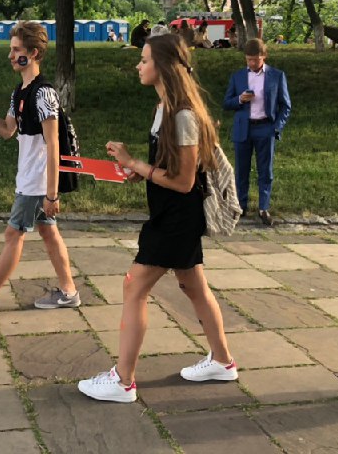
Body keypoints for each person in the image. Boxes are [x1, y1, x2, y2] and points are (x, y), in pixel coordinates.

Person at [78, 34, 237, 404]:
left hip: (178, 217)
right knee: (194, 287)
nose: (139, 65)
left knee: (134, 286)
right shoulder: (164, 108)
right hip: (171, 213)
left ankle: (123, 381)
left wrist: (135, 163)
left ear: (163, 66)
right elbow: (167, 168)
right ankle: (222, 361)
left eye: (145, 59)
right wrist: (138, 171)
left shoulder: (183, 115)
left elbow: (184, 182)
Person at [0, 21, 80, 313]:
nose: (11, 56)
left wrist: (51, 194)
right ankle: (69, 292)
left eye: (16, 50)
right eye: (11, 50)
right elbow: (7, 130)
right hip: (31, 178)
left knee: (13, 235)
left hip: (37, 182)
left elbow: (53, 144)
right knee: (49, 233)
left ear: (33, 53)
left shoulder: (43, 94)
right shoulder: (20, 92)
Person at [223, 38, 291, 226]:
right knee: (241, 170)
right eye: (249, 60)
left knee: (265, 170)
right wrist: (240, 99)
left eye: (255, 59)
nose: (252, 63)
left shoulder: (276, 76)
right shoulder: (238, 76)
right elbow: (226, 103)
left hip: (265, 127)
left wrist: (276, 127)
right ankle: (241, 205)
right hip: (243, 127)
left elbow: (285, 106)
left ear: (264, 56)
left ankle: (263, 207)